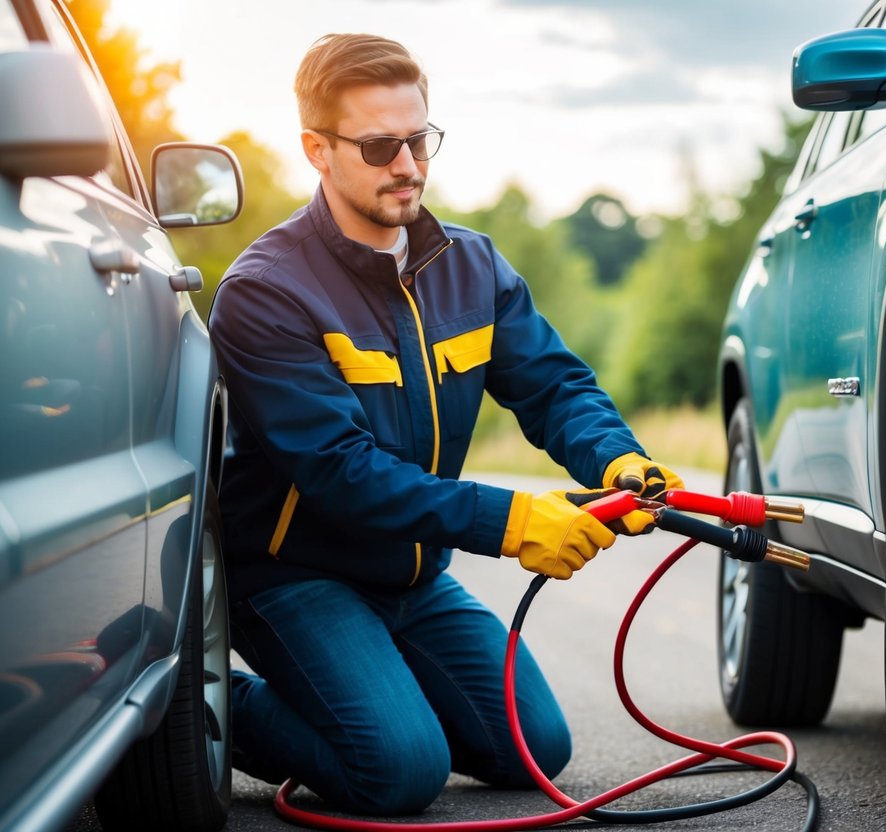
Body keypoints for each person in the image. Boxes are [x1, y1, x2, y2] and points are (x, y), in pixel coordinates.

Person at [206, 33, 684, 816]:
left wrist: (617, 461)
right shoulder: (266, 292)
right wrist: (511, 519)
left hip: (414, 576)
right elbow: (337, 469)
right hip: (296, 575)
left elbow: (554, 387)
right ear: (316, 152)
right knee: (398, 773)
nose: (408, 165)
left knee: (532, 751)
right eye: (379, 145)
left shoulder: (472, 263)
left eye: (419, 139)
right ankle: (221, 707)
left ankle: (375, 685)